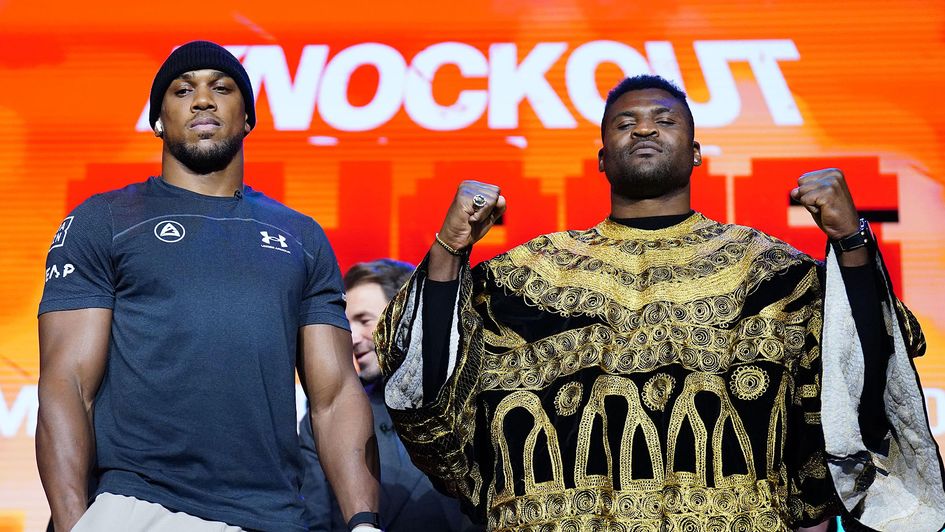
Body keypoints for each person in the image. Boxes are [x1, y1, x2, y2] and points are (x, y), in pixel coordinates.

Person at [375, 75, 945, 531]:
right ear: (601, 158)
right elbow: (420, 386)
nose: (644, 129)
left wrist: (850, 240)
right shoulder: (522, 277)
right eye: (625, 123)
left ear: (697, 153)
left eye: (663, 120)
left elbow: (867, 375)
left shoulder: (769, 271)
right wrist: (449, 247)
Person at [36, 41, 380, 532]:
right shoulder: (104, 220)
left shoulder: (300, 236)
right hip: (139, 506)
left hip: (273, 516)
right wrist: (74, 522)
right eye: (183, 90)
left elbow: (335, 394)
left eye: (221, 88)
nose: (202, 100)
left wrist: (363, 521)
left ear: (247, 119)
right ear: (159, 119)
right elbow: (66, 384)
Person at [299, 259, 480, 531]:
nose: (352, 336)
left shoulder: (469, 403)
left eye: (364, 320)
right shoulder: (327, 415)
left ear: (406, 318)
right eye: (346, 324)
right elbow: (314, 520)